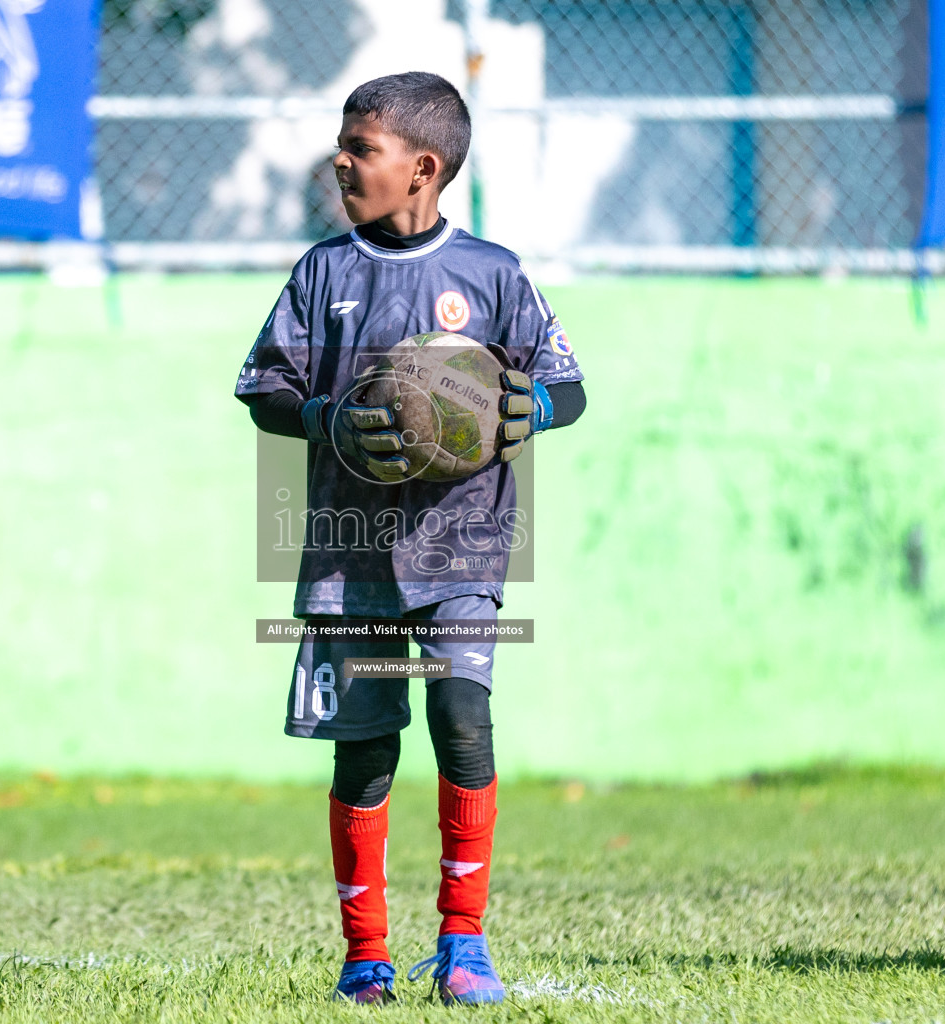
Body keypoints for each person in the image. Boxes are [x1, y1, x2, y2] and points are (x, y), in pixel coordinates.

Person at [234, 70, 586, 1005]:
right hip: (351, 555)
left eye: (360, 148)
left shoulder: (494, 274)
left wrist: (534, 406)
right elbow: (263, 393)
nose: (339, 160)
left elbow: (571, 388)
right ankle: (366, 955)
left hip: (464, 543)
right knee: (367, 748)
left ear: (422, 168)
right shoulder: (323, 273)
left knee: (461, 717)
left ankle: (464, 944)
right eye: (342, 144)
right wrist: (324, 417)